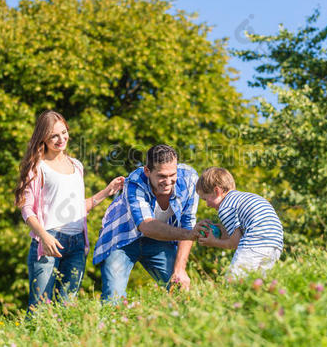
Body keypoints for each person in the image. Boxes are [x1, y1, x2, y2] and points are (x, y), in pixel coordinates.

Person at [14, 110, 124, 312]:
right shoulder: (37, 167)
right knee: (40, 308)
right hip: (49, 241)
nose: (61, 139)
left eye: (63, 132)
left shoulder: (77, 165)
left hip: (76, 242)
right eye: (54, 135)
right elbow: (26, 209)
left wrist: (107, 192)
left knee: (66, 307)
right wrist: (44, 237)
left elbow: (78, 208)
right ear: (43, 138)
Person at [93, 144, 201, 301]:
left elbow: (187, 222)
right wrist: (189, 234)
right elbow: (147, 226)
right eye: (162, 176)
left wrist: (180, 269)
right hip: (122, 240)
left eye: (173, 174)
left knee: (180, 288)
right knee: (113, 297)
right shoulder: (135, 182)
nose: (169, 181)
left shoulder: (190, 179)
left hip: (159, 240)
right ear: (147, 171)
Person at [194, 167, 284, 278]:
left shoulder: (225, 207)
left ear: (217, 191)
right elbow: (239, 233)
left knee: (232, 282)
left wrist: (213, 242)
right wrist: (220, 230)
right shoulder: (240, 199)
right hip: (275, 244)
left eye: (205, 199)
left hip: (255, 243)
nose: (207, 205)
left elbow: (234, 243)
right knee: (259, 284)